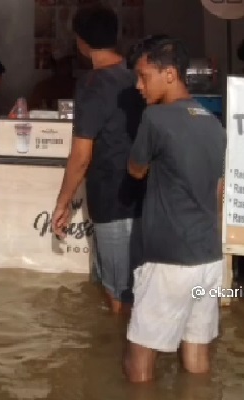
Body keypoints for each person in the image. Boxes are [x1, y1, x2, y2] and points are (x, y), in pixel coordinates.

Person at [123, 35, 227, 383]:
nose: (139, 86)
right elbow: (220, 190)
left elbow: (136, 169)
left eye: (143, 76)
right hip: (209, 257)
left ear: (169, 74)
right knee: (196, 353)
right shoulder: (213, 123)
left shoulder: (155, 118)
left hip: (169, 258)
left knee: (140, 356)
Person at [51, 5, 146, 315]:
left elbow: (81, 156)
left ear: (81, 41)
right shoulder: (138, 75)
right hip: (145, 197)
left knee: (118, 295)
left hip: (113, 197)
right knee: (141, 287)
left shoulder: (93, 85)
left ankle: (121, 358)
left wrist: (62, 203)